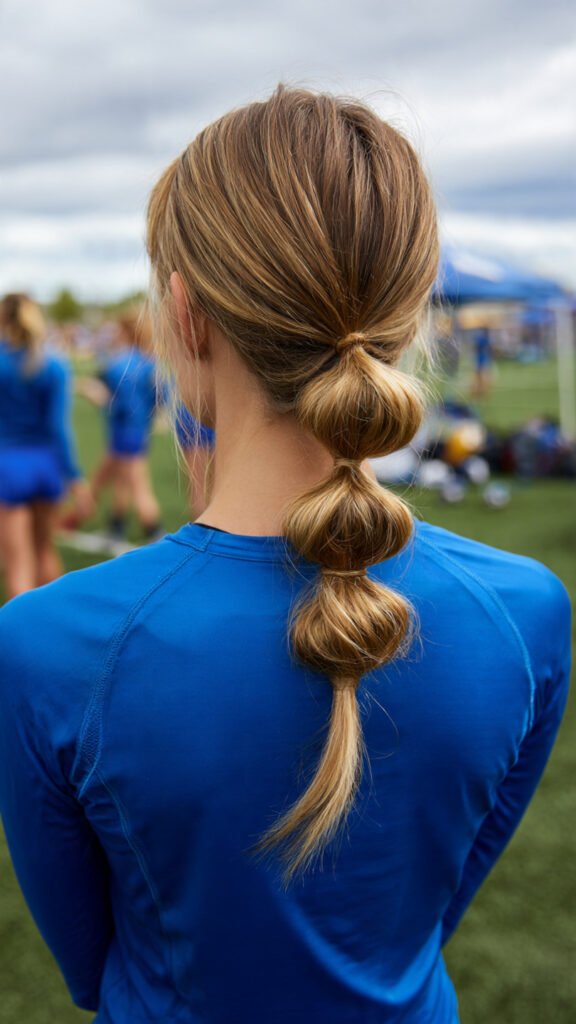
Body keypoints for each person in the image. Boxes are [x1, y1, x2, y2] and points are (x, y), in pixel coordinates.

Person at [0, 88, 571, 1024]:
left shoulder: (47, 643)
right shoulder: (527, 612)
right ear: (406, 314)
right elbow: (430, 920)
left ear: (185, 314)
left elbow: (91, 967)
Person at [0, 293, 92, 598]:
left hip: (9, 468)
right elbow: (58, 428)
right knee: (44, 552)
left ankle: (20, 645)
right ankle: (53, 639)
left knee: (17, 566)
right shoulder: (54, 364)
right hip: (47, 467)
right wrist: (75, 477)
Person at [77, 309, 164, 540]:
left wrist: (93, 392)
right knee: (121, 482)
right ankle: (116, 526)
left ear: (125, 331)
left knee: (138, 487)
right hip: (139, 431)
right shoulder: (149, 362)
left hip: (124, 430)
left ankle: (155, 531)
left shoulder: (119, 363)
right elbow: (160, 398)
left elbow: (116, 401)